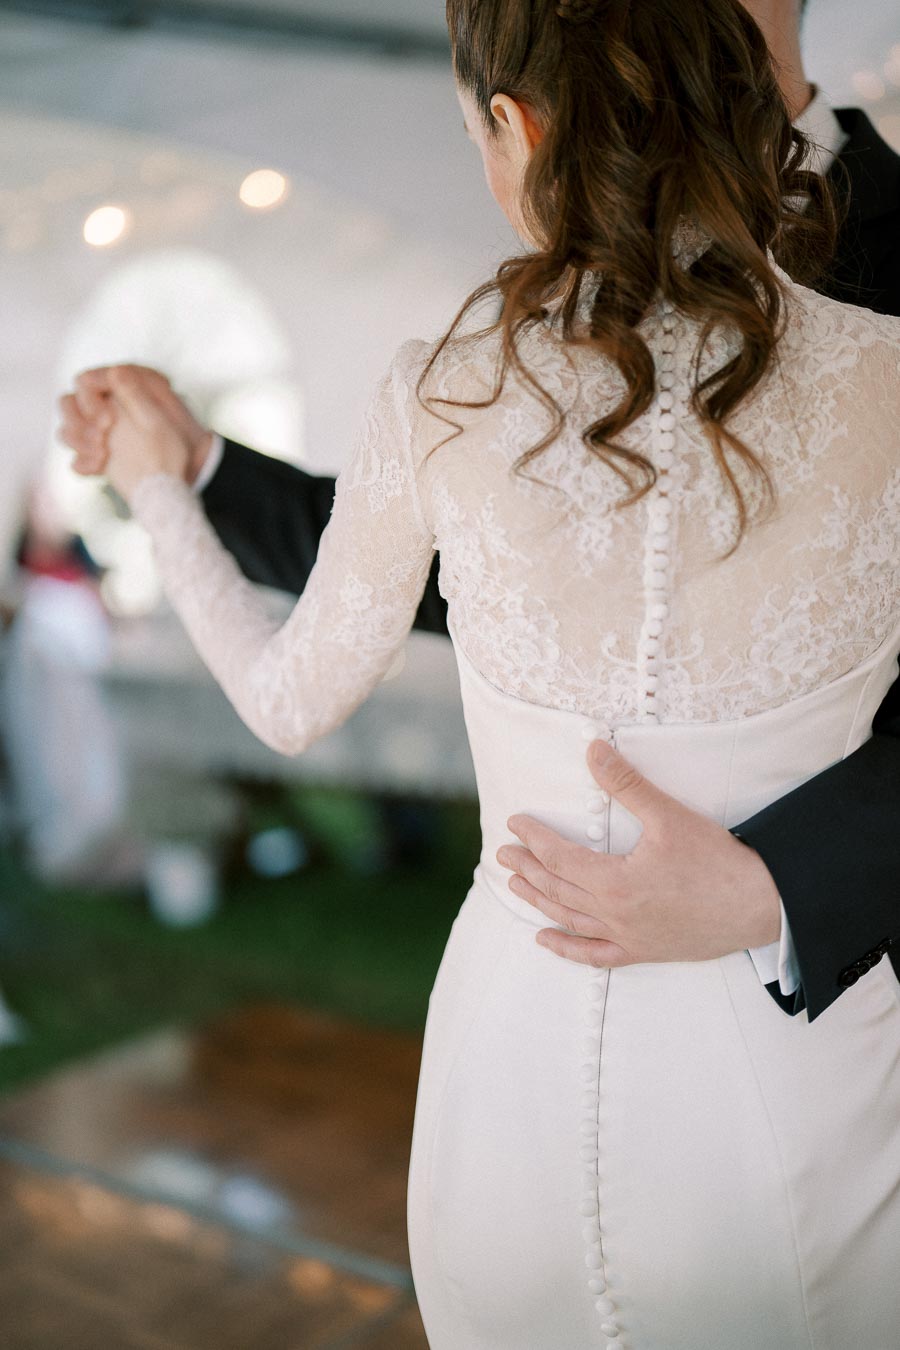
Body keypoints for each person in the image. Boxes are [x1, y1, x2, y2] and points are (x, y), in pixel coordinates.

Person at [62, 0, 900, 1344]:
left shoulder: (441, 391)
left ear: (517, 127)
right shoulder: (889, 377)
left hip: (519, 1052)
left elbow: (288, 701)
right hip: (795, 1080)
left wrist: (161, 490)